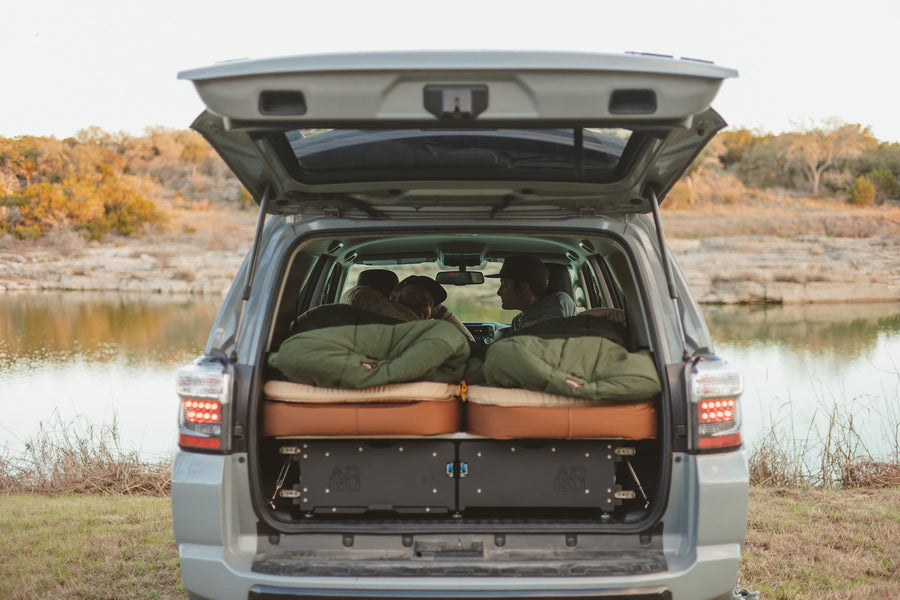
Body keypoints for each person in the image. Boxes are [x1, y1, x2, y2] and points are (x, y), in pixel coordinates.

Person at [487, 255, 577, 333]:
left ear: (523, 288)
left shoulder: (559, 301)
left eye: (505, 285)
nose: (499, 292)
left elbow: (548, 342)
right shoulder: (517, 321)